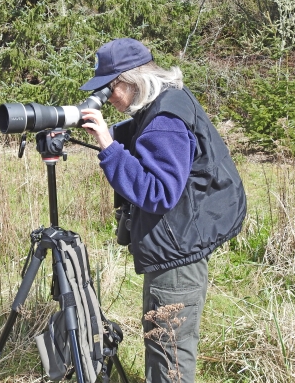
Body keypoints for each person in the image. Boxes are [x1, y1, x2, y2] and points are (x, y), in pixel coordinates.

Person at [79, 38, 247, 383]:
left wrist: (109, 149)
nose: (108, 99)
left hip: (177, 256)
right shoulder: (165, 103)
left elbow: (158, 192)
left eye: (108, 89)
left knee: (168, 353)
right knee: (166, 344)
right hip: (178, 244)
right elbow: (142, 135)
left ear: (130, 80)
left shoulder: (165, 119)